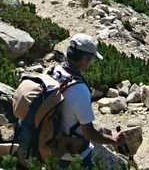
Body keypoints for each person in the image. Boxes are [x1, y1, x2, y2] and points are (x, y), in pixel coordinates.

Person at [52, 34, 131, 168]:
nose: (91, 63)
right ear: (84, 59)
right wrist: (113, 140)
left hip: (46, 142)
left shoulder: (53, 71)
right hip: (69, 152)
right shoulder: (80, 90)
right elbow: (89, 133)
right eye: (92, 59)